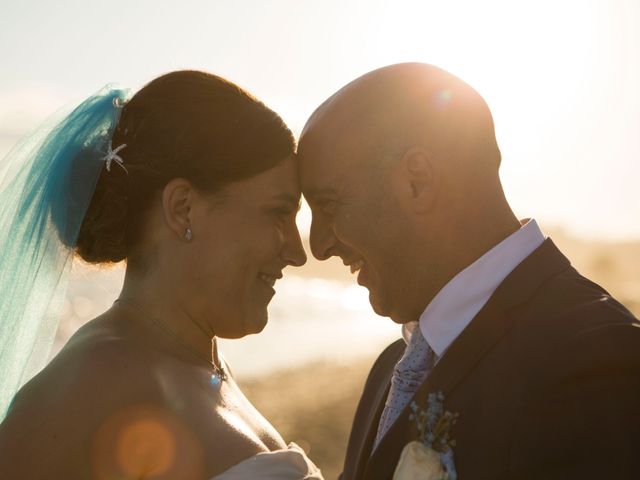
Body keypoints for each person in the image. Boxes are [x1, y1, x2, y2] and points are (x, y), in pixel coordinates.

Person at [297, 62, 640, 479]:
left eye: (329, 204)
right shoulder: (390, 369)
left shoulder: (595, 363)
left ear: (417, 182)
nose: (318, 246)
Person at [0, 71, 323, 479]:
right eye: (279, 212)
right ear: (183, 208)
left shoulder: (200, 364)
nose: (297, 252)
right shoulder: (89, 383)